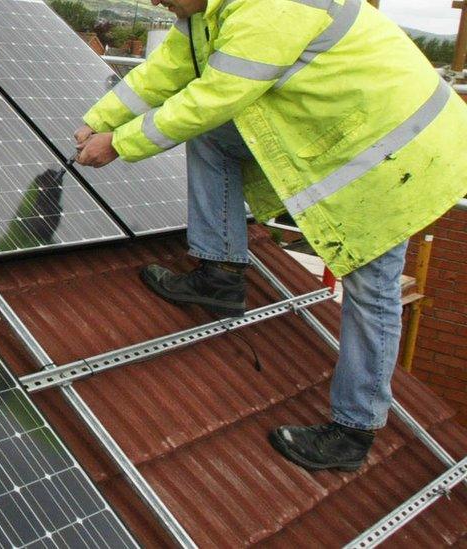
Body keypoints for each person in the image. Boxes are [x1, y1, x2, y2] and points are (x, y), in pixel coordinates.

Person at [73, 0, 467, 471]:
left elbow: (217, 95)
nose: (156, 2)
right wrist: (101, 119)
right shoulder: (206, 13)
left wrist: (119, 143)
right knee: (215, 136)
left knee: (371, 290)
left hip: (396, 152)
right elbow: (165, 72)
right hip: (348, 131)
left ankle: (353, 429)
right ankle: (220, 272)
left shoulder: (271, 8)